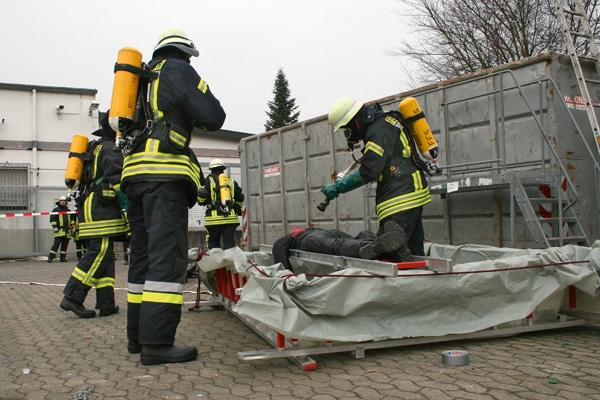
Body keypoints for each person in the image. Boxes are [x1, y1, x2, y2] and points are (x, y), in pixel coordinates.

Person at [120, 27, 226, 365]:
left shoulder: (139, 79)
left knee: (143, 257)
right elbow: (214, 116)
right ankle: (157, 344)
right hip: (163, 175)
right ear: (184, 51)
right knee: (167, 258)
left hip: (134, 175)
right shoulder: (178, 69)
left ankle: (137, 338)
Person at [322, 98, 432, 259]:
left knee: (388, 252)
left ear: (355, 122)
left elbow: (369, 170)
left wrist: (339, 187)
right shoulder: (382, 123)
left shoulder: (379, 130)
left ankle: (395, 259)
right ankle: (419, 278)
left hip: (401, 198)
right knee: (413, 251)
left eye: (347, 129)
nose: (348, 134)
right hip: (407, 193)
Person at [59, 112, 130, 319]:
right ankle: (73, 297)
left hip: (90, 207)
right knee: (100, 251)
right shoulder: (111, 149)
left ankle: (106, 303)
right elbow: (118, 180)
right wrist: (131, 205)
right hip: (101, 208)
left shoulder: (93, 147)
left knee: (106, 256)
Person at [272, 221, 407, 272]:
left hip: (311, 239)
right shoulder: (301, 233)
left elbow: (278, 247)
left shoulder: (293, 236)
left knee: (339, 246)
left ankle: (375, 245)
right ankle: (390, 248)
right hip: (325, 233)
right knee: (351, 240)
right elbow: (278, 247)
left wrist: (287, 273)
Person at [198, 159, 244, 250]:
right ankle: (230, 263)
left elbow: (201, 198)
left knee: (213, 243)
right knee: (229, 244)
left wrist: (202, 201)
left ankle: (216, 263)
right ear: (223, 169)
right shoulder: (231, 181)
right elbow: (240, 197)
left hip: (213, 220)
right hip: (230, 219)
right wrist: (237, 206)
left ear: (211, 169)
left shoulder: (208, 181)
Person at [47, 195, 73, 263]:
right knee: (56, 245)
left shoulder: (68, 211)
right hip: (59, 231)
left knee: (64, 246)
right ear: (59, 202)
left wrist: (73, 227)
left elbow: (72, 220)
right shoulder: (55, 210)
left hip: (67, 231)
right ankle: (50, 258)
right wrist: (54, 227)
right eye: (62, 201)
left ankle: (62, 258)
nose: (63, 202)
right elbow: (52, 219)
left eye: (64, 201)